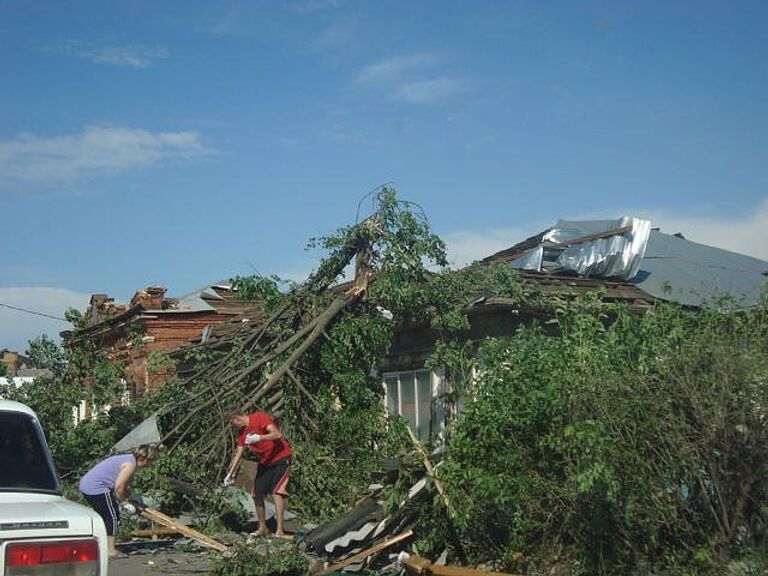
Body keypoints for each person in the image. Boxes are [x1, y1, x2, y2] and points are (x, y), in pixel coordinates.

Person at [79, 444, 158, 558]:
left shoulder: (130, 460)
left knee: (104, 516)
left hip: (88, 485)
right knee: (112, 516)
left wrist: (131, 496)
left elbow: (123, 485)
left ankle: (102, 546)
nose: (151, 465)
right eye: (151, 461)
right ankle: (110, 551)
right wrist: (124, 503)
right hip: (96, 488)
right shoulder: (130, 465)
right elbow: (118, 488)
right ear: (144, 459)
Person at [224, 410, 292, 539]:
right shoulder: (241, 434)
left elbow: (277, 434)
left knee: (277, 492)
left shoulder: (259, 418)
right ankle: (262, 527)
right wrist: (230, 475)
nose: (234, 427)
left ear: (237, 418)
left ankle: (279, 531)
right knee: (257, 494)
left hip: (280, 458)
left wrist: (260, 437)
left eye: (233, 424)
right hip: (265, 462)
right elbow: (238, 454)